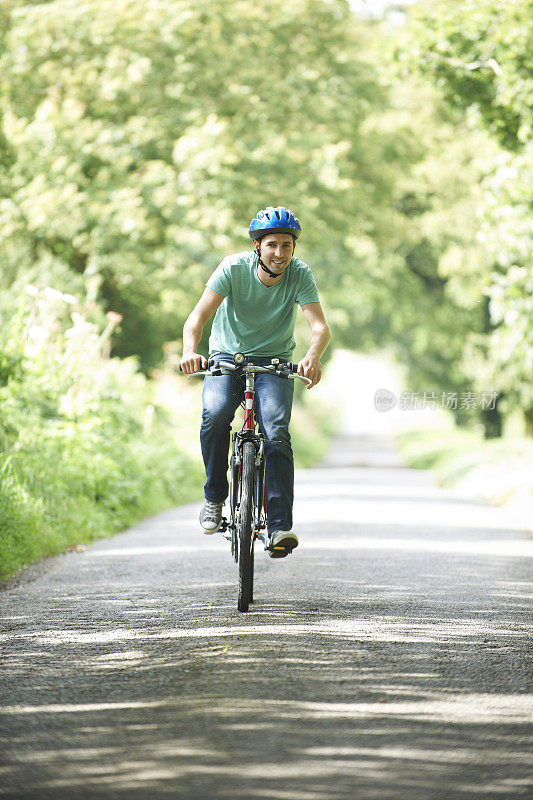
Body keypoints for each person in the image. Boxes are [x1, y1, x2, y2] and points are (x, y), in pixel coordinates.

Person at [180, 206, 331, 557]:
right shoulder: (233, 268)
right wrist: (190, 350)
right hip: (225, 359)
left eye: (287, 246)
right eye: (273, 245)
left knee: (276, 431)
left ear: (294, 248)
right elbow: (198, 317)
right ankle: (215, 499)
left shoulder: (300, 274)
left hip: (275, 364)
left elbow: (319, 327)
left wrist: (312, 356)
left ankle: (279, 525)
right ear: (258, 247)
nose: (280, 253)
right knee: (215, 416)